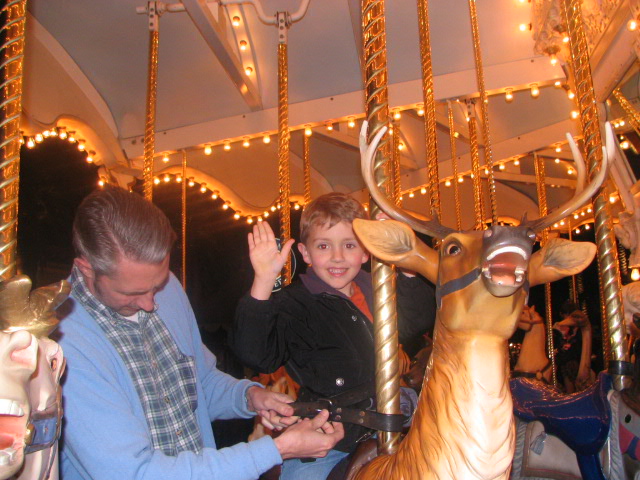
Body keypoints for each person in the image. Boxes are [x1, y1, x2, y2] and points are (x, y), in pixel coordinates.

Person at [56, 186, 343, 480]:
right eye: (133, 292)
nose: (150, 303)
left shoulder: (169, 290)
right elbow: (135, 473)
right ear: (87, 270)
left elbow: (200, 381)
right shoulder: (63, 344)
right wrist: (276, 450)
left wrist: (251, 397)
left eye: (155, 285)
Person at [231, 192, 436, 480]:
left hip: (392, 421)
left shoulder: (379, 290)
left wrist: (405, 266)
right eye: (324, 246)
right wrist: (263, 281)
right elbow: (258, 354)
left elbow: (418, 319)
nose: (337, 257)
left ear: (365, 252)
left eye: (349, 245)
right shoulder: (295, 303)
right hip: (329, 437)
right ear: (305, 253)